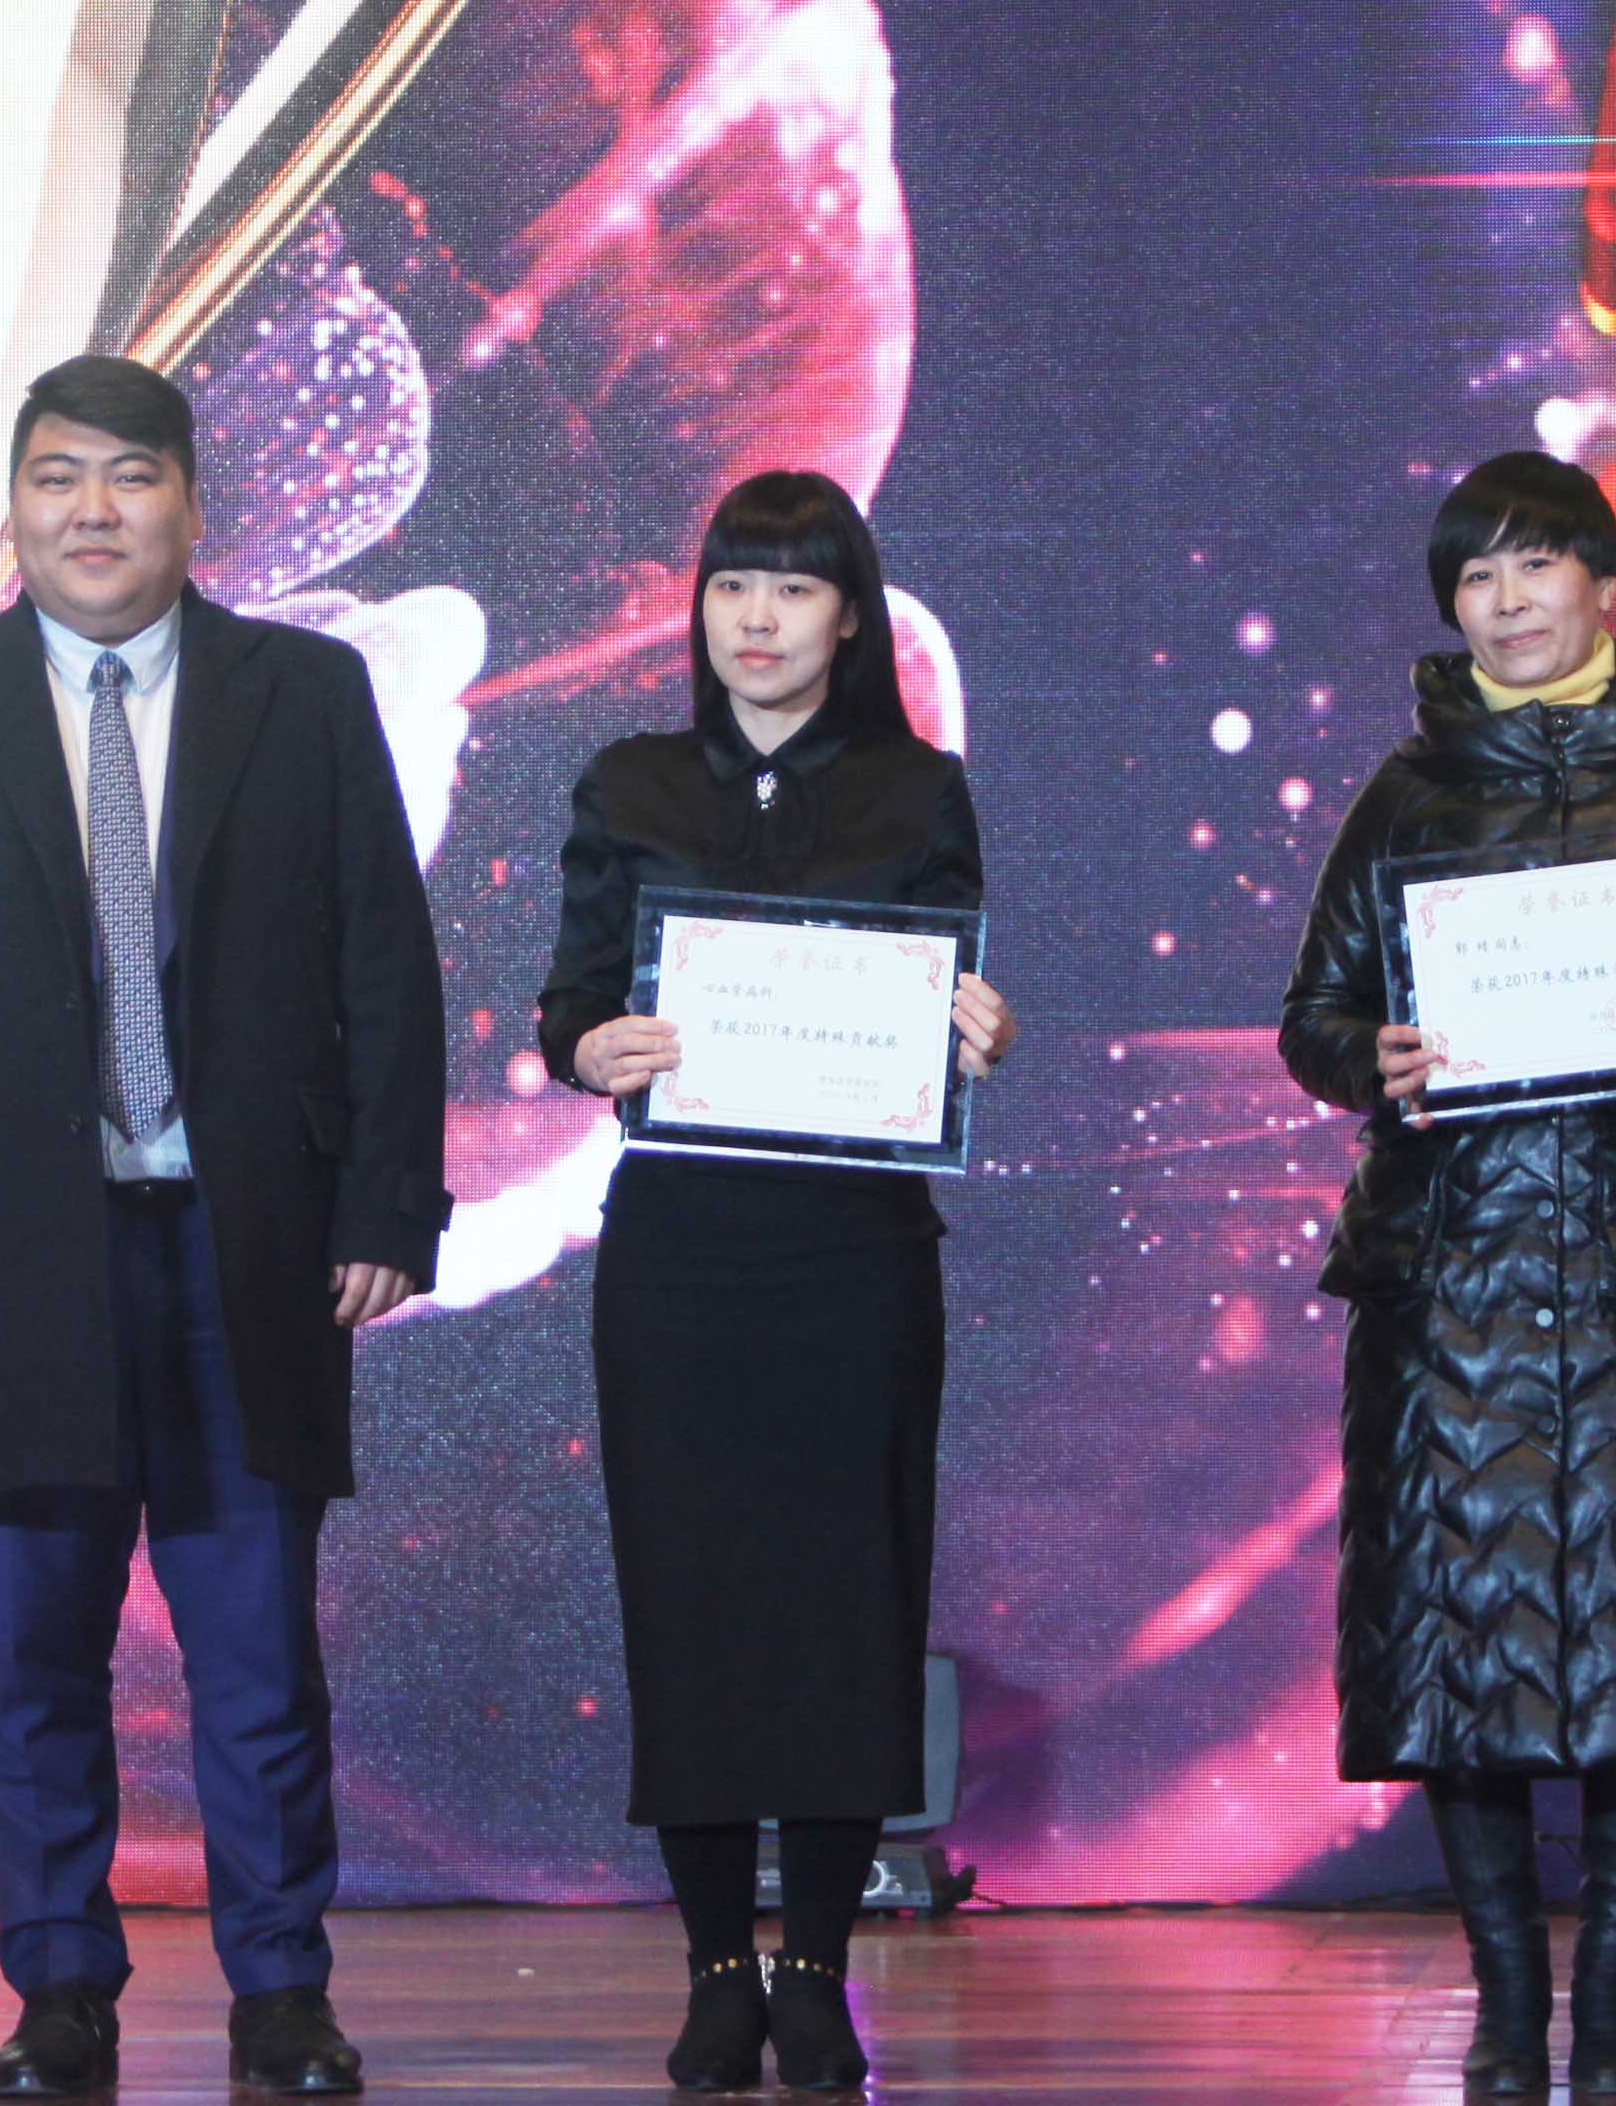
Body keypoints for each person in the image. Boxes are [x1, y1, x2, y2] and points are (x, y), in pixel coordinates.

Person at [0, 355, 449, 2099]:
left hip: (247, 1247)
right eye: (58, 476)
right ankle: (60, 1990)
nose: (94, 511)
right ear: (13, 507)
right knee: (32, 1657)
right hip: (5, 1253)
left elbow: (386, 967)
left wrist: (388, 1201)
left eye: (131, 476)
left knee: (257, 1658)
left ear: (192, 504)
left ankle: (281, 1994)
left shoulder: (302, 692)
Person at [1277, 451, 1616, 2097]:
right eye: (1476, 576)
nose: (1507, 602)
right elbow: (1313, 1018)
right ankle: (1509, 2009)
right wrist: (1373, 1056)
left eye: (1536, 566)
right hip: (1453, 1273)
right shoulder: (1407, 790)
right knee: (1464, 1647)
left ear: (1602, 579)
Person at [536, 471, 1015, 2094]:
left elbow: (943, 992)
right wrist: (590, 1048)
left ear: (849, 618)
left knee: (846, 1605)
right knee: (692, 1606)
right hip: (681, 1254)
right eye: (734, 585)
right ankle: (713, 1970)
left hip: (854, 1256)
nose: (758, 618)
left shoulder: (917, 789)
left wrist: (973, 1034)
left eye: (795, 590)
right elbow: (570, 1005)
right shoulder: (631, 780)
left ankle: (814, 1969)